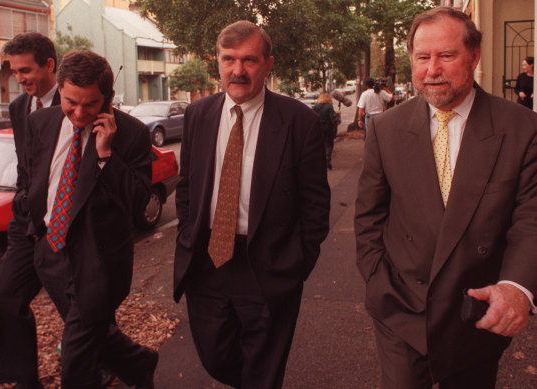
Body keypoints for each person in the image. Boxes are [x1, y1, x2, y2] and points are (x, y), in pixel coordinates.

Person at [354, 6, 537, 388]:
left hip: (476, 310)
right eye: (422, 57)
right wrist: (377, 281)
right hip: (400, 309)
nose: (432, 69)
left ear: (474, 56)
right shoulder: (386, 130)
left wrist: (517, 288)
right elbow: (369, 219)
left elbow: (530, 219)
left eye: (447, 56)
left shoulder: (521, 129)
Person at [174, 20, 330, 389]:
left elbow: (315, 205)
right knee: (215, 357)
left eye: (249, 60)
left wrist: (294, 264)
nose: (238, 70)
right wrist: (186, 234)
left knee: (263, 373)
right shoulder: (198, 114)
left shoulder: (299, 122)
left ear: (268, 64)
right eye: (229, 59)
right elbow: (187, 187)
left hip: (268, 267)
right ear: (217, 61)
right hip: (207, 261)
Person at [24, 50, 157, 389]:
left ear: (107, 99)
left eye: (91, 104)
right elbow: (33, 178)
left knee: (76, 358)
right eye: (71, 102)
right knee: (93, 330)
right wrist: (35, 229)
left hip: (99, 264)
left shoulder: (133, 134)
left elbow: (139, 201)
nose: (79, 113)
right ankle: (139, 362)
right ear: (61, 91)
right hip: (51, 253)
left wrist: (105, 155)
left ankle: (128, 366)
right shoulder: (41, 122)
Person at [0, 32, 61, 389]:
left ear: (49, 65)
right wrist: (21, 201)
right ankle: (23, 381)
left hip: (65, 222)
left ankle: (122, 363)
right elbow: (25, 163)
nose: (19, 79)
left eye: (25, 70)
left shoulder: (75, 101)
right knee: (7, 297)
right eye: (14, 71)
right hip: (26, 220)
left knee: (79, 309)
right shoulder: (18, 107)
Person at [313, 92, 339, 169]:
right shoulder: (329, 106)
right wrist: (337, 114)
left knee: (321, 144)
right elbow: (333, 117)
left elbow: (311, 114)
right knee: (329, 144)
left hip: (319, 127)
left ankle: (320, 160)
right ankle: (327, 159)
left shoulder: (316, 106)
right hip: (328, 127)